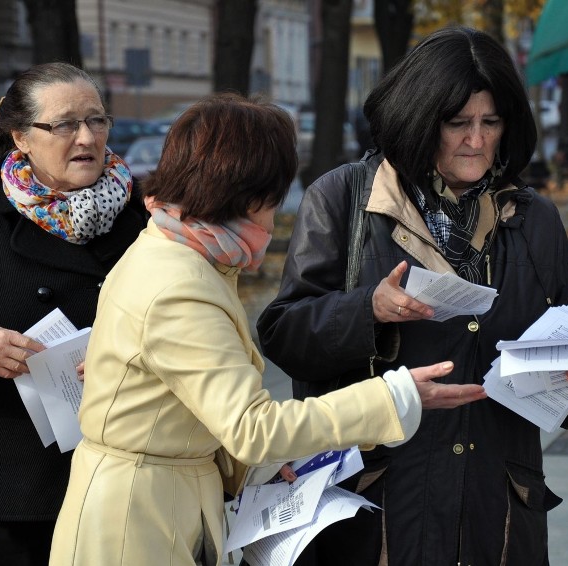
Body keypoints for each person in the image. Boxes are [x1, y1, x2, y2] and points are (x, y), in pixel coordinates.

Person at [48, 93, 485, 566]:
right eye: (273, 200)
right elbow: (252, 427)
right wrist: (394, 397)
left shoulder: (177, 250)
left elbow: (196, 408)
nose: (274, 218)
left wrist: (267, 466)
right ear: (243, 194)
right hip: (138, 525)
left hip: (155, 503)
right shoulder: (180, 283)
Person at [257, 26, 568, 566]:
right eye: (458, 124)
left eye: (490, 123)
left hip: (496, 515)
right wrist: (369, 310)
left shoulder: (535, 220)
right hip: (381, 510)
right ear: (419, 119)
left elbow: (563, 354)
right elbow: (284, 332)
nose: (476, 141)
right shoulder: (342, 198)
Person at [0, 62, 146, 565]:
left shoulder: (143, 214)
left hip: (123, 475)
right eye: (64, 124)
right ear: (21, 137)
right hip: (13, 485)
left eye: (97, 120)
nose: (86, 137)